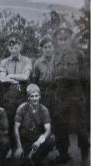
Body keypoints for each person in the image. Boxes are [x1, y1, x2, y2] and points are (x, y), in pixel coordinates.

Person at [51, 25, 90, 164]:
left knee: (81, 127)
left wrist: (83, 98)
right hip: (61, 97)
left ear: (70, 39)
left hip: (76, 95)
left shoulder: (79, 55)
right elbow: (53, 79)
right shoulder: (55, 57)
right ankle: (63, 154)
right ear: (57, 41)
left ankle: (85, 156)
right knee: (60, 126)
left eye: (65, 39)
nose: (62, 42)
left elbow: (86, 79)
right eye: (60, 39)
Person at [0, 38, 32, 147]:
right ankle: (13, 150)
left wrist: (10, 76)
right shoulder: (4, 62)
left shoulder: (26, 61)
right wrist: (16, 80)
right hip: (9, 97)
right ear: (8, 48)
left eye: (16, 48)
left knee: (23, 122)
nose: (13, 50)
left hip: (22, 96)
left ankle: (24, 150)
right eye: (11, 48)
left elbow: (26, 76)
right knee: (10, 122)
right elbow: (2, 79)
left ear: (20, 47)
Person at [12, 84, 54, 166]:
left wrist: (39, 141)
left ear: (40, 97)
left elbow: (48, 130)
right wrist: (19, 146)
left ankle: (39, 157)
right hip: (24, 139)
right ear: (28, 98)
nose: (34, 99)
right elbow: (16, 128)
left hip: (36, 138)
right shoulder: (22, 108)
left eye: (36, 96)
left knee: (51, 139)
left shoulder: (44, 110)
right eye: (32, 96)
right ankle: (28, 155)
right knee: (18, 161)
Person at [33, 36, 55, 118]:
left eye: (49, 47)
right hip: (43, 92)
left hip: (56, 91)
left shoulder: (57, 59)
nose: (48, 49)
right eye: (45, 47)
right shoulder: (38, 63)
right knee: (44, 115)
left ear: (53, 47)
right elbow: (35, 80)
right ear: (42, 49)